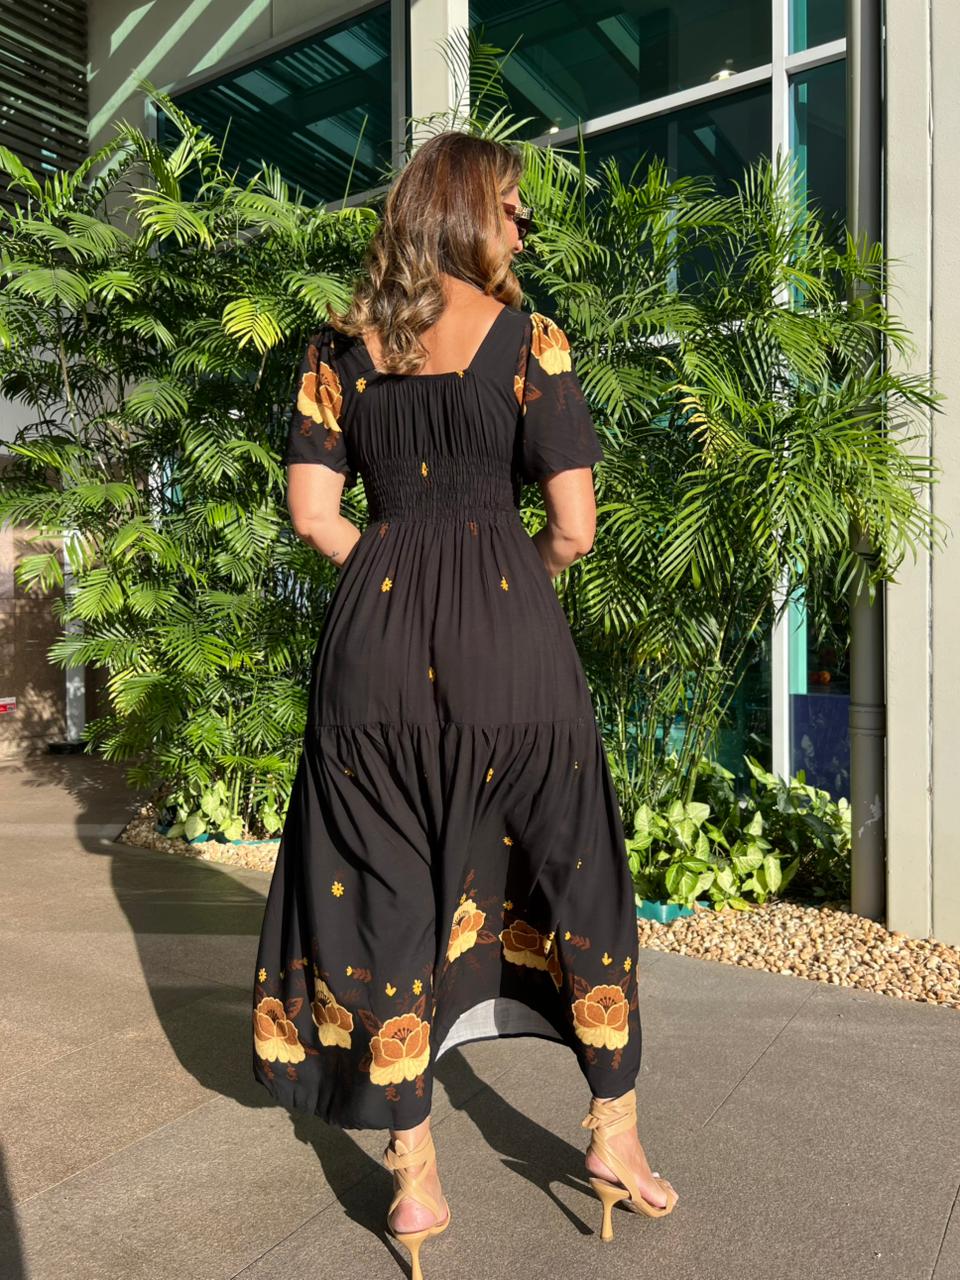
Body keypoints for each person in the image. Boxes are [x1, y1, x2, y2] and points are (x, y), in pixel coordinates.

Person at [251, 130, 678, 1276]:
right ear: (469, 213)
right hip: (511, 641)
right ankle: (614, 1132)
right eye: (515, 207)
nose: (525, 228)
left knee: (385, 885)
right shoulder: (532, 340)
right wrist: (500, 584)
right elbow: (575, 527)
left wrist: (396, 576)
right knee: (578, 865)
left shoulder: (338, 345)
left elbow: (314, 515)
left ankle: (414, 1178)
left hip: (373, 653)